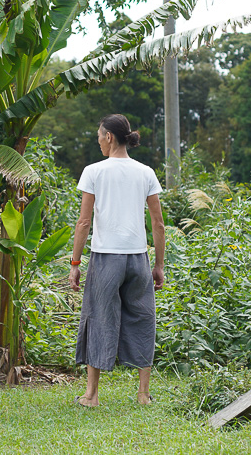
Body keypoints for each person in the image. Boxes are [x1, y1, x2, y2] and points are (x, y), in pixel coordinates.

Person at [69, 113, 166, 407]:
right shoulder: (146, 172)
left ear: (109, 137)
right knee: (143, 319)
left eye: (99, 137)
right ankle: (143, 394)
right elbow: (158, 224)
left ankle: (91, 395)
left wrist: (75, 264)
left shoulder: (93, 171)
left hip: (106, 258)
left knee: (98, 318)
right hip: (138, 258)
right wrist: (158, 265)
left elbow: (84, 222)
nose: (98, 142)